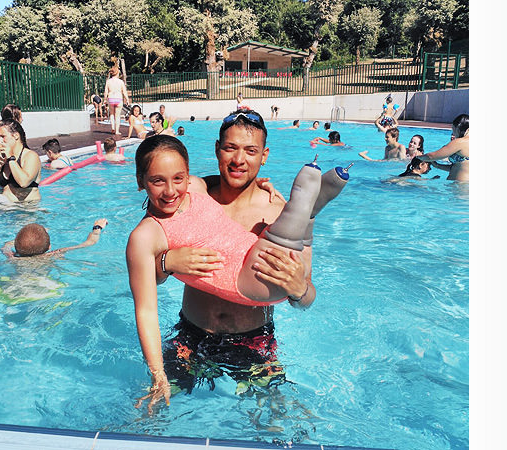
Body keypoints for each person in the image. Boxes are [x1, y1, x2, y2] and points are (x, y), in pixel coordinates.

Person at [130, 111, 350, 411]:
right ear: (217, 150)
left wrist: (299, 289)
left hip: (253, 341)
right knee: (151, 410)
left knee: (276, 421)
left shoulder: (278, 213)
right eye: (230, 148)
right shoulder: (189, 197)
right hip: (190, 335)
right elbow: (147, 276)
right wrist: (167, 262)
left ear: (264, 156)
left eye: (250, 151)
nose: (239, 160)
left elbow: (306, 299)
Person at [0, 119, 42, 204]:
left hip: (27, 206)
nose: (0, 141)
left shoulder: (30, 156)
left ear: (16, 136)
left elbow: (24, 182)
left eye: (3, 136)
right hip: (7, 204)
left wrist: (11, 159)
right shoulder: (3, 156)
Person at [2, 219, 108, 258]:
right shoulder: (52, 255)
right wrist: (97, 228)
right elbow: (89, 243)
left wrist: (24, 239)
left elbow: (6, 246)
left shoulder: (11, 257)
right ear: (49, 247)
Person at [418, 114, 469, 182]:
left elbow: (432, 156)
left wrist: (418, 157)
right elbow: (459, 167)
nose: (453, 133)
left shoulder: (459, 142)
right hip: (464, 183)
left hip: (460, 185)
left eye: (453, 130)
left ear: (458, 128)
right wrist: (437, 165)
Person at [104, 67, 130, 135]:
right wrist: (127, 99)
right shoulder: (120, 82)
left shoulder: (108, 81)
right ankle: (117, 131)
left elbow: (106, 91)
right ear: (117, 73)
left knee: (112, 114)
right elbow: (124, 91)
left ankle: (113, 128)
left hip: (111, 98)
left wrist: (105, 99)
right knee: (117, 116)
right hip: (118, 99)